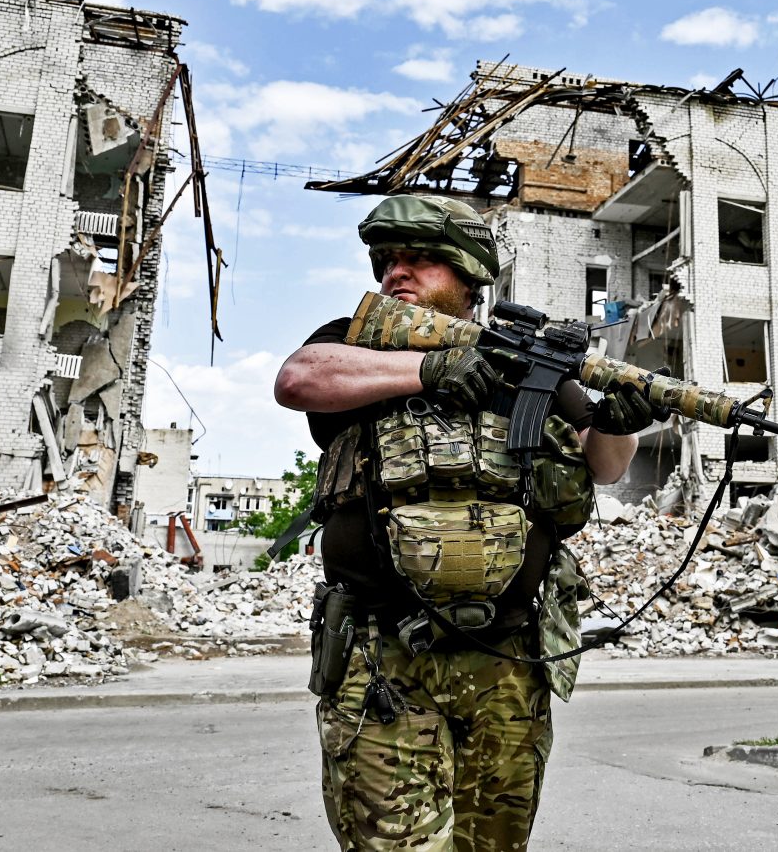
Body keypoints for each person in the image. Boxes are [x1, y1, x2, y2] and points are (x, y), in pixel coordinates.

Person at [274, 194, 666, 851]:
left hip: (508, 665)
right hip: (385, 661)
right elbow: (298, 379)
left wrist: (617, 419)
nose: (399, 271)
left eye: (422, 259)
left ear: (469, 277)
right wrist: (428, 367)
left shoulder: (524, 361)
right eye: (390, 259)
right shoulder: (353, 341)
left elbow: (604, 465)